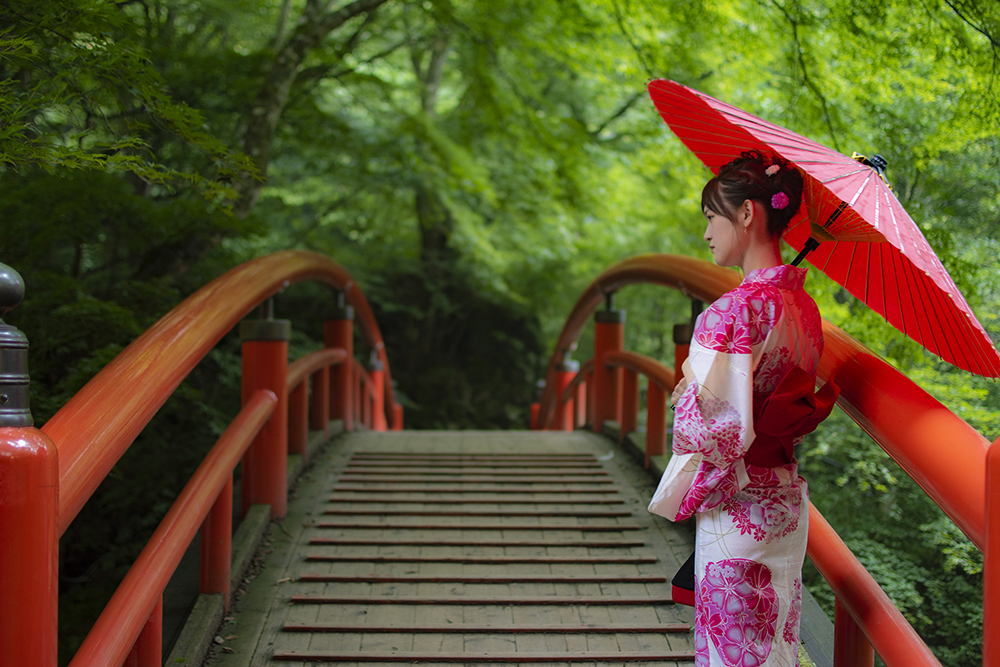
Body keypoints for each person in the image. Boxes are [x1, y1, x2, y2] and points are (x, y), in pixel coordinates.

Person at [659, 150, 838, 667]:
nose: (708, 232)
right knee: (773, 649)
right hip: (783, 498)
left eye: (713, 217)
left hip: (738, 501)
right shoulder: (803, 308)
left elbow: (708, 433)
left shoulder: (730, 312)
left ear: (746, 214)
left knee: (730, 652)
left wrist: (685, 396)